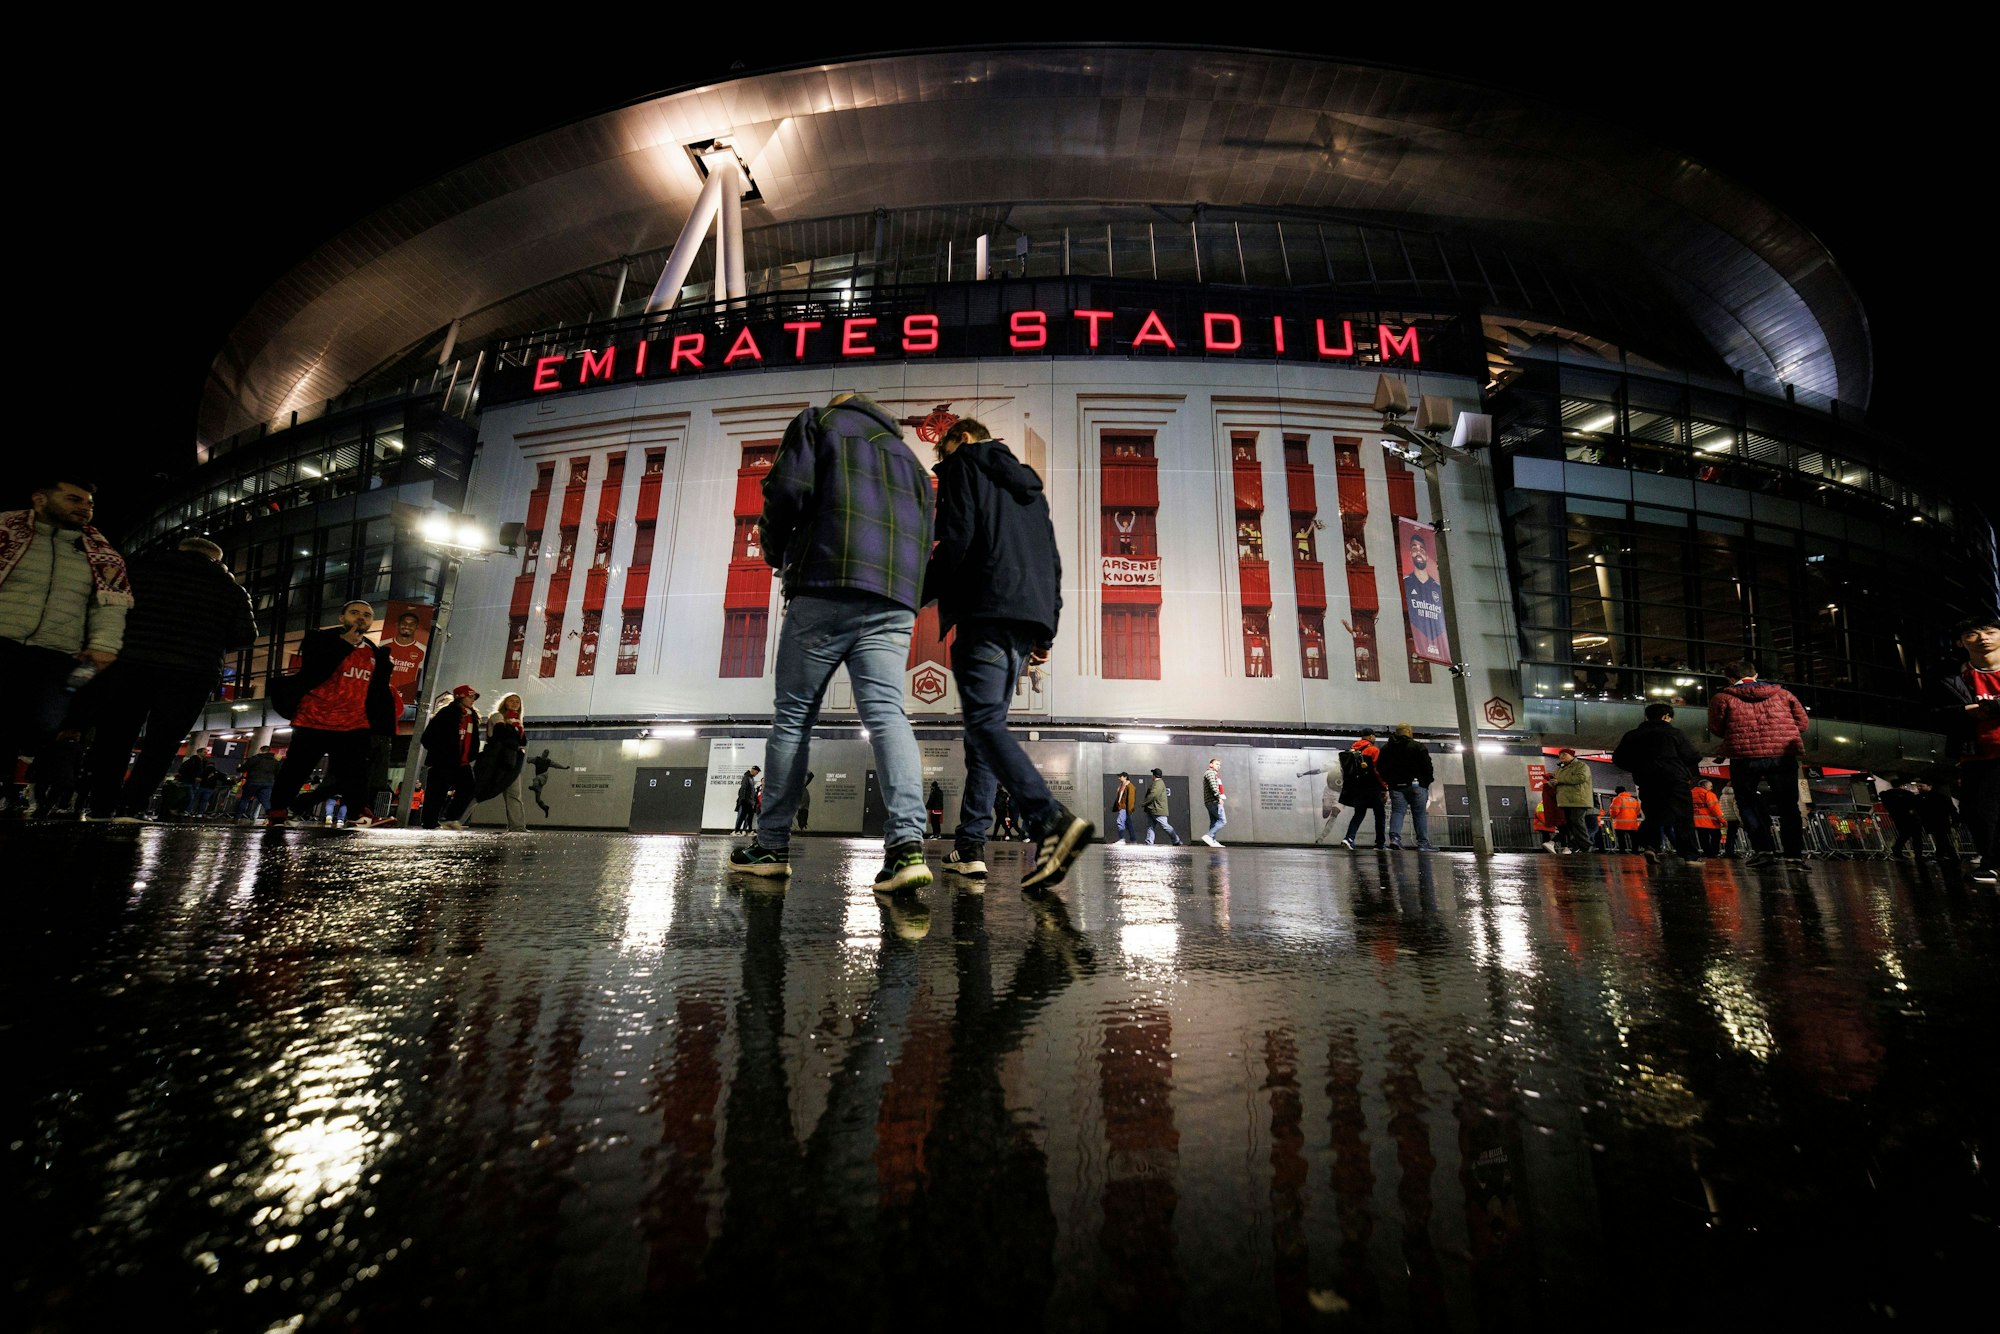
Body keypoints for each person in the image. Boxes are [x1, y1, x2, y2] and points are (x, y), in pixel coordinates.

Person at [730, 392, 936, 892]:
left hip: (824, 582)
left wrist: (777, 552)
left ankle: (772, 846)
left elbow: (786, 491)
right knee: (888, 713)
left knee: (795, 716)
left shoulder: (818, 423)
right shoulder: (912, 460)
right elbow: (927, 534)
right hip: (892, 597)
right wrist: (908, 596)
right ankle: (907, 849)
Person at [921, 416, 1093, 888]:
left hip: (985, 613)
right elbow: (1052, 566)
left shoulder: (962, 467)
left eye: (944, 448)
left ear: (962, 438)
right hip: (1025, 625)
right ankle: (971, 845)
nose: (942, 458)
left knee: (983, 726)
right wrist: (1045, 636)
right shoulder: (1030, 493)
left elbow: (955, 540)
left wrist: (915, 593)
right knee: (984, 735)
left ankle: (1050, 821)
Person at [75, 536, 257, 821]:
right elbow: (245, 635)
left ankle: (102, 805)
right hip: (192, 671)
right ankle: (131, 806)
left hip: (133, 663)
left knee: (116, 736)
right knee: (162, 743)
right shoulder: (231, 589)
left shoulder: (139, 572)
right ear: (217, 560)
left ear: (180, 550)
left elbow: (110, 609)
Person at [0, 475, 129, 814]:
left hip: (58, 652)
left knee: (43, 723)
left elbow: (108, 605)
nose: (85, 508)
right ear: (40, 499)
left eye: (88, 503)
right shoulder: (5, 531)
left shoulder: (102, 554)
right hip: (4, 641)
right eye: (74, 499)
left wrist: (104, 646)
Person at [265, 599, 399, 828]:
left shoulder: (374, 652)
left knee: (355, 772)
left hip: (354, 722)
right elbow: (313, 672)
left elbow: (376, 691)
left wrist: (380, 723)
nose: (360, 618)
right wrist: (344, 644)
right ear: (341, 617)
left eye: (366, 615)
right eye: (354, 612)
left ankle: (358, 814)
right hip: (314, 719)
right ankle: (278, 811)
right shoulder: (320, 640)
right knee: (296, 769)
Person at [1707, 660, 1810, 868]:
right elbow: (1802, 723)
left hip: (1744, 756)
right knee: (1788, 806)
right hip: (1782, 755)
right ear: (1755, 673)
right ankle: (1794, 857)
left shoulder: (1723, 697)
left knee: (1747, 803)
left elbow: (1716, 727)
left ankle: (1764, 851)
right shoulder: (1783, 694)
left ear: (1729, 678)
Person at [1937, 613, 2000, 884]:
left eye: (1990, 632)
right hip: (1975, 752)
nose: (1983, 638)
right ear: (1961, 642)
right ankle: (1992, 861)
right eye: (1973, 634)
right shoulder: (1953, 677)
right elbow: (1934, 713)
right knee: (1976, 810)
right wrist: (1965, 711)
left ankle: (1992, 862)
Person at [1611, 703, 1703, 863]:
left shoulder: (1633, 735)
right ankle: (1690, 855)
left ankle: (1650, 846)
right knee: (1683, 816)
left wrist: (1637, 767)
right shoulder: (1674, 733)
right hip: (1674, 778)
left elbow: (1618, 759)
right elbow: (1692, 756)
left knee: (1653, 813)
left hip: (1647, 779)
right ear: (1666, 716)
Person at [420, 685, 482, 830]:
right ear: (460, 697)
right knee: (437, 792)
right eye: (470, 696)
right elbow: (427, 737)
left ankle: (450, 818)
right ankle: (429, 822)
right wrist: (442, 754)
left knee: (469, 787)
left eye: (474, 697)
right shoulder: (446, 713)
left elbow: (473, 739)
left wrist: (472, 754)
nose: (473, 700)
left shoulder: (472, 716)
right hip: (444, 761)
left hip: (463, 762)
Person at [1377, 723, 1437, 851]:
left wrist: (1389, 781)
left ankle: (1395, 839)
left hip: (1396, 786)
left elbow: (1380, 767)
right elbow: (1427, 765)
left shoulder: (1386, 748)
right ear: (1409, 732)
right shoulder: (1417, 746)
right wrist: (1426, 782)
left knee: (1397, 812)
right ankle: (1422, 843)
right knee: (1419, 813)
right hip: (1416, 785)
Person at [475, 692, 528, 832]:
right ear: (504, 703)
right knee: (482, 790)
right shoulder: (498, 716)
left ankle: (518, 826)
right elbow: (502, 735)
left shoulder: (518, 722)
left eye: (518, 701)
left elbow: (523, 741)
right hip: (496, 760)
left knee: (514, 794)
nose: (515, 703)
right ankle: (456, 818)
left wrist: (515, 728)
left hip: (511, 760)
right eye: (511, 701)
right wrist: (512, 729)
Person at [1401, 530, 1446, 661]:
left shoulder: (1437, 587)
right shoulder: (1406, 583)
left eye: (1422, 548)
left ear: (1426, 554)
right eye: (1414, 548)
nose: (1418, 551)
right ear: (1410, 554)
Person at [1338, 730, 1387, 850]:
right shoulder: (1373, 750)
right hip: (1372, 788)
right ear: (1371, 737)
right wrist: (1384, 787)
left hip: (1357, 789)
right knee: (1380, 814)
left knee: (1359, 814)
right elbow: (1377, 770)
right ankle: (1380, 844)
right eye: (1374, 736)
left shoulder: (1353, 750)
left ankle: (1349, 838)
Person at [1547, 748, 1594, 853]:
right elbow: (1558, 782)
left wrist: (1559, 781)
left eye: (1564, 754)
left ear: (1572, 755)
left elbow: (1581, 778)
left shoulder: (1581, 766)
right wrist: (1552, 783)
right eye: (1560, 754)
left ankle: (1586, 845)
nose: (1562, 756)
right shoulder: (1559, 769)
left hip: (1578, 799)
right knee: (1570, 823)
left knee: (1576, 821)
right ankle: (1582, 845)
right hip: (1565, 800)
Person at [29, 729, 83, 818]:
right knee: (55, 793)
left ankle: (41, 806)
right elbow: (78, 763)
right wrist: (76, 775)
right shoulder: (78, 747)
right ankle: (45, 809)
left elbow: (43, 758)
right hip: (66, 773)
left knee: (40, 789)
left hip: (49, 771)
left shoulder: (55, 745)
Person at [1878, 777, 1922, 858]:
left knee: (1904, 834)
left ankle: (1897, 849)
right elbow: (1913, 806)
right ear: (1902, 785)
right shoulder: (1907, 794)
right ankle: (1918, 854)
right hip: (1910, 817)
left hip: (1897, 817)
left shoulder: (1886, 795)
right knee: (1916, 836)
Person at [237, 745, 281, 821]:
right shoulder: (275, 761)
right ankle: (272, 818)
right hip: (268, 783)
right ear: (269, 750)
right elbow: (277, 773)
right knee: (266, 801)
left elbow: (243, 768)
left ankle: (237, 818)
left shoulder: (255, 759)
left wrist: (238, 768)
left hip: (253, 781)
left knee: (245, 799)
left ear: (260, 750)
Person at [1142, 768, 1181, 845]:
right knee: (1150, 826)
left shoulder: (1158, 784)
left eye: (1153, 774)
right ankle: (1149, 841)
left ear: (1154, 775)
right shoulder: (1158, 783)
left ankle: (1176, 840)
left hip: (1157, 810)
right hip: (1152, 809)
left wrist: (1144, 803)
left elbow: (1153, 795)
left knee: (1165, 826)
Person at [527, 749, 568, 817]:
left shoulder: (548, 761)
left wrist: (564, 767)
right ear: (543, 753)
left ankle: (534, 787)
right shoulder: (537, 759)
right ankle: (545, 808)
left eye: (547, 753)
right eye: (545, 753)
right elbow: (528, 759)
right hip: (540, 781)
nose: (545, 754)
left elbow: (556, 765)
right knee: (537, 800)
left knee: (537, 779)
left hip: (543, 776)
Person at [1691, 779, 1724, 858]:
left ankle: (1707, 852)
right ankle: (1713, 853)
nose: (1711, 788)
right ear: (1704, 786)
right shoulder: (1708, 794)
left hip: (1697, 821)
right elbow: (1715, 809)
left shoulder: (1690, 793)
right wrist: (1722, 820)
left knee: (1703, 837)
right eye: (1710, 786)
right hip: (1710, 821)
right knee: (1716, 836)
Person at [1200, 757, 1227, 847]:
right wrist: (1219, 797)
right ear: (1210, 764)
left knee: (1214, 821)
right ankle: (1209, 836)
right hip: (1213, 801)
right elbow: (1213, 786)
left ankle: (1213, 840)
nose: (1218, 766)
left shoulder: (1213, 774)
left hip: (1210, 801)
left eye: (1219, 765)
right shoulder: (1210, 773)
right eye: (1216, 764)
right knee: (1222, 820)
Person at [1608, 786, 1641, 853]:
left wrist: (1613, 816)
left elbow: (1614, 810)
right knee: (1634, 838)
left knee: (1621, 839)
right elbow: (1638, 812)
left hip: (1620, 824)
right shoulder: (1634, 800)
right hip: (1632, 824)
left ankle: (1622, 851)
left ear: (1617, 792)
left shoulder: (1617, 799)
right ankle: (1635, 851)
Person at [733, 765, 761, 834]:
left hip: (750, 801)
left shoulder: (751, 778)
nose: (756, 774)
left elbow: (752, 791)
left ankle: (749, 830)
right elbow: (743, 789)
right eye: (756, 772)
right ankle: (737, 830)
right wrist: (742, 800)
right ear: (753, 770)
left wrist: (755, 800)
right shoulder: (746, 778)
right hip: (745, 801)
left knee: (749, 816)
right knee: (742, 816)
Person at [1717, 781, 1742, 857]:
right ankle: (1730, 852)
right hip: (1733, 818)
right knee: (1732, 836)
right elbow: (1736, 809)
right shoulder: (1734, 796)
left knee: (1728, 835)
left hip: (1725, 818)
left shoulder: (1722, 796)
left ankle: (1728, 851)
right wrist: (1740, 819)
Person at [1113, 771, 1138, 842]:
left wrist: (1130, 809)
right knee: (1129, 824)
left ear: (1125, 777)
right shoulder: (1122, 786)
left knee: (1120, 821)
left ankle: (1122, 839)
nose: (1119, 778)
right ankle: (1133, 840)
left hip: (1125, 808)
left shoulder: (1130, 786)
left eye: (1120, 776)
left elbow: (1131, 799)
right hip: (1122, 807)